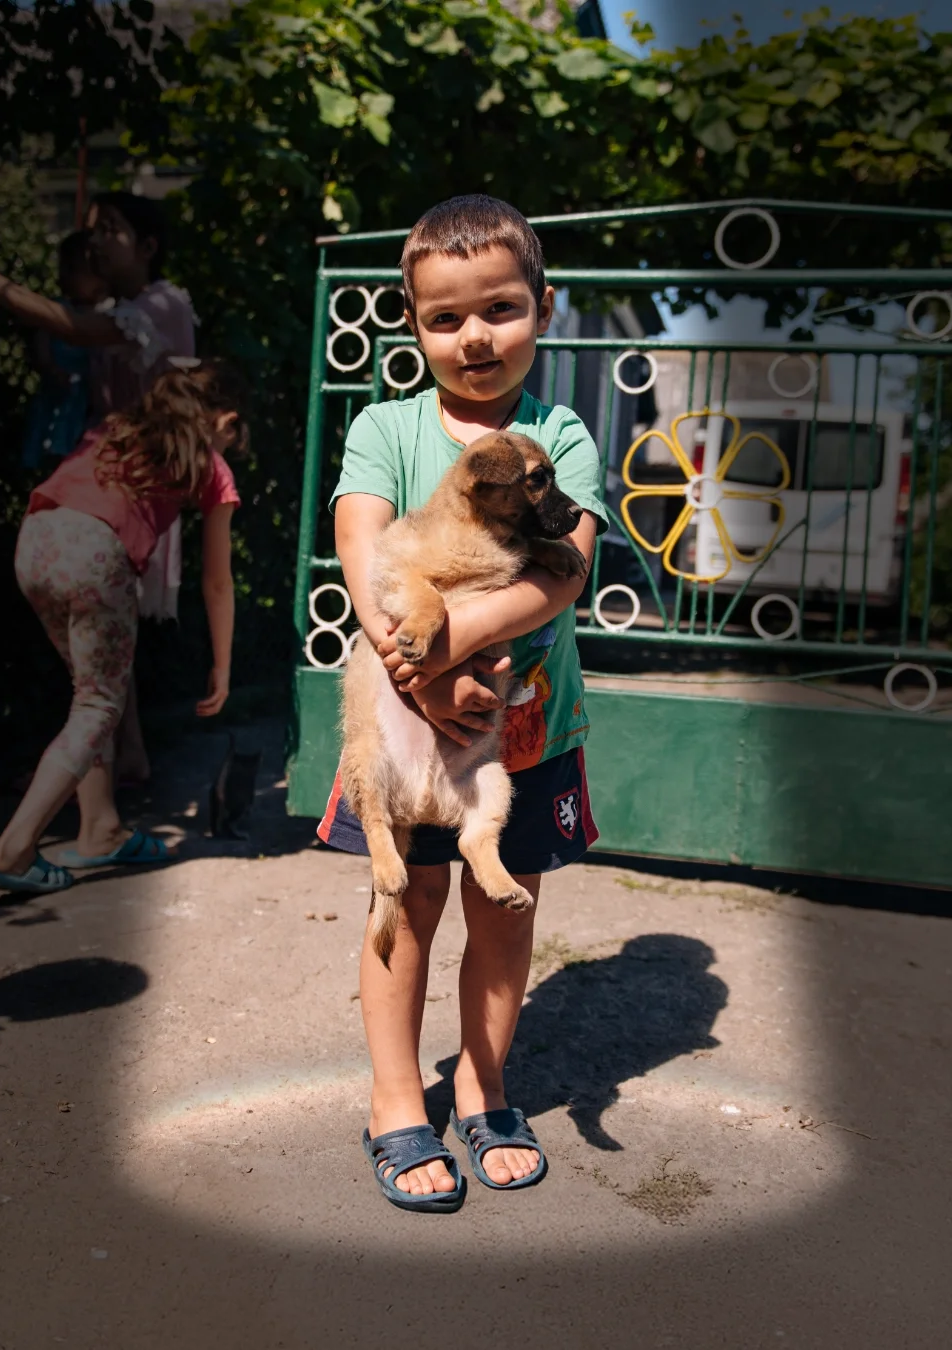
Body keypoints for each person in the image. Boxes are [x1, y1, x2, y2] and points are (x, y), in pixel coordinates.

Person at [319, 195, 607, 1211]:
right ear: (413, 322)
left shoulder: (559, 433)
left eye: (499, 308)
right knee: (409, 895)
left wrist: (453, 652)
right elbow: (363, 544)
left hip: (522, 731)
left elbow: (563, 572)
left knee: (501, 908)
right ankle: (397, 1100)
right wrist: (418, 674)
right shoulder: (387, 427)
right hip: (404, 728)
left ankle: (484, 1089)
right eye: (445, 318)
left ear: (543, 306)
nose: (474, 336)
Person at [0, 361, 245, 895]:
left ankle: (99, 829)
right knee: (98, 704)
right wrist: (222, 666)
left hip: (36, 544)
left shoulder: (119, 429)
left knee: (91, 695)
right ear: (226, 420)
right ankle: (13, 849)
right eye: (234, 435)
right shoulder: (211, 466)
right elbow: (217, 583)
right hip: (96, 556)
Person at [0, 194, 197, 787]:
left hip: (132, 489)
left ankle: (115, 764)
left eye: (110, 230)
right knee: (112, 632)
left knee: (111, 635)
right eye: (91, 230)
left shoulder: (160, 305)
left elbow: (74, 328)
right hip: (109, 482)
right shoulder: (126, 307)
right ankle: (125, 757)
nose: (95, 241)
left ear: (147, 247)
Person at [21, 230, 107, 470]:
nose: (65, 277)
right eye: (63, 268)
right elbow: (42, 344)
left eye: (75, 269)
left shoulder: (107, 316)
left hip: (88, 404)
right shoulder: (59, 309)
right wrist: (50, 367)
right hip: (60, 394)